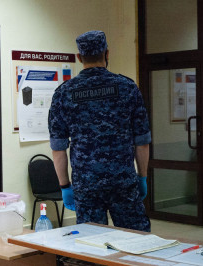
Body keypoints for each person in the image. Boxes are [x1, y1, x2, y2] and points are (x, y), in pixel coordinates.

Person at [48, 30, 151, 232]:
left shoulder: (64, 93)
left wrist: (64, 186)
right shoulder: (127, 87)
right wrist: (142, 177)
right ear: (107, 53)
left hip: (86, 186)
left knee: (91, 244)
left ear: (79, 57)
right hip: (123, 181)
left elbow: (58, 148)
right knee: (136, 240)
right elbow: (142, 141)